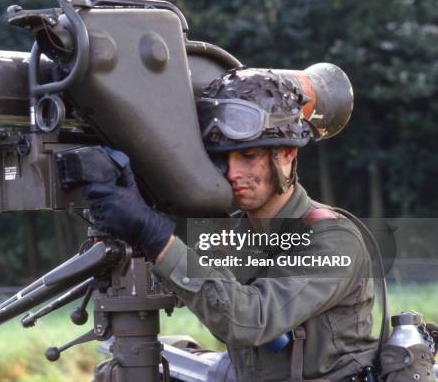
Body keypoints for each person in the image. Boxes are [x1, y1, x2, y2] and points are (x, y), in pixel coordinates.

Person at [83, 69, 377, 382]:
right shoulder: (233, 234)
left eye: (249, 157)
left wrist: (154, 236)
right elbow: (188, 284)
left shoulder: (333, 238)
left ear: (288, 154)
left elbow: (249, 318)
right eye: (223, 159)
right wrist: (134, 216)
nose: (233, 173)